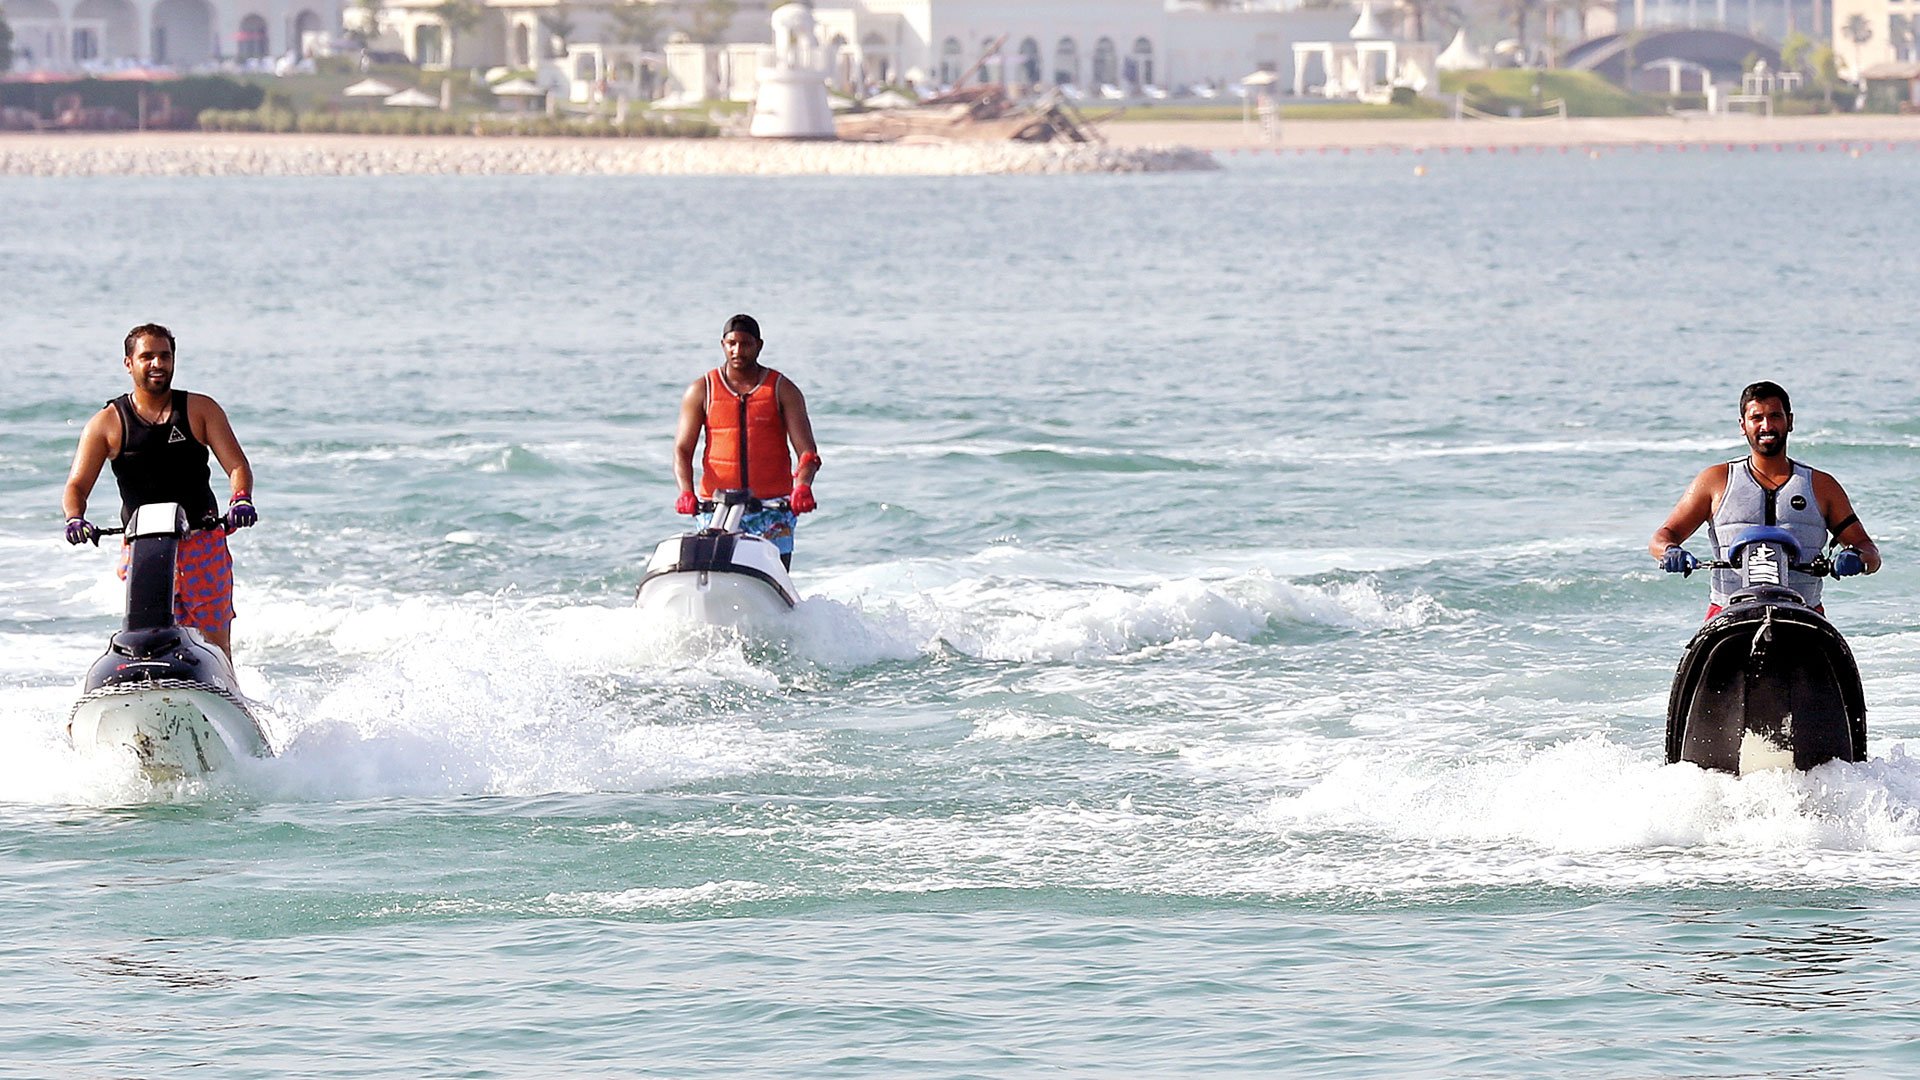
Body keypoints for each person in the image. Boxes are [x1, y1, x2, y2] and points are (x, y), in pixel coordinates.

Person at [62, 324, 257, 661]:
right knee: (148, 641)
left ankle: (223, 697)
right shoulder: (106, 423)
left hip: (202, 542)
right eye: (147, 356)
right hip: (143, 549)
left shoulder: (200, 410)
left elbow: (237, 466)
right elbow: (76, 486)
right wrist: (75, 518)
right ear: (129, 363)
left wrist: (240, 498)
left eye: (164, 356)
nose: (157, 364)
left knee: (215, 645)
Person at [1649, 380, 1879, 619]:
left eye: (1775, 416)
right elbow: (1662, 537)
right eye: (1757, 418)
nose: (1766, 426)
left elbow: (1870, 552)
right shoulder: (1715, 481)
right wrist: (1670, 552)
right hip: (1728, 614)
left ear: (1789, 421)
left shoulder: (1822, 486)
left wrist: (1856, 558)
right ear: (1743, 425)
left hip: (1804, 615)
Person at [673, 314, 820, 569]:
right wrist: (686, 492)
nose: (737, 350)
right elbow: (682, 450)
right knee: (713, 571)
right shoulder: (701, 390)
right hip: (715, 508)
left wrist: (803, 486)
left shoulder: (782, 389)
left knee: (773, 574)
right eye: (731, 343)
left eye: (745, 344)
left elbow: (807, 453)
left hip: (772, 509)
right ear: (723, 345)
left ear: (759, 345)